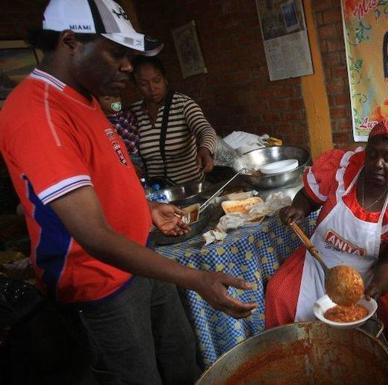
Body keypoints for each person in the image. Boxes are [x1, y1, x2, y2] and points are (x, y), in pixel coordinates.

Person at [0, 1, 256, 384]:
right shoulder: (40, 114)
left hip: (139, 258)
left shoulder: (84, 98)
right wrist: (195, 278)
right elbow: (93, 236)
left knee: (180, 359)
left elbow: (105, 180)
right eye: (117, 53)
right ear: (70, 41)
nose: (128, 67)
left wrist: (147, 206)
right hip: (99, 284)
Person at [265, 116, 388, 383]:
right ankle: (297, 356)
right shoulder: (342, 168)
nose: (378, 164)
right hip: (323, 254)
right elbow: (309, 197)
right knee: (279, 294)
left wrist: (376, 288)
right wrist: (298, 209)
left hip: (379, 265)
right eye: (373, 155)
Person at [130, 55, 216, 185]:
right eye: (143, 84)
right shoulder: (132, 113)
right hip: (158, 194)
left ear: (165, 79)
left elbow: (205, 129)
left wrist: (205, 150)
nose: (152, 88)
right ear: (136, 85)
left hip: (191, 189)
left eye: (156, 80)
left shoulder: (183, 104)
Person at [98, 95, 144, 176]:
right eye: (107, 99)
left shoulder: (128, 114)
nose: (114, 101)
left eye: (116, 97)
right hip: (118, 158)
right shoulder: (102, 121)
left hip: (135, 155)